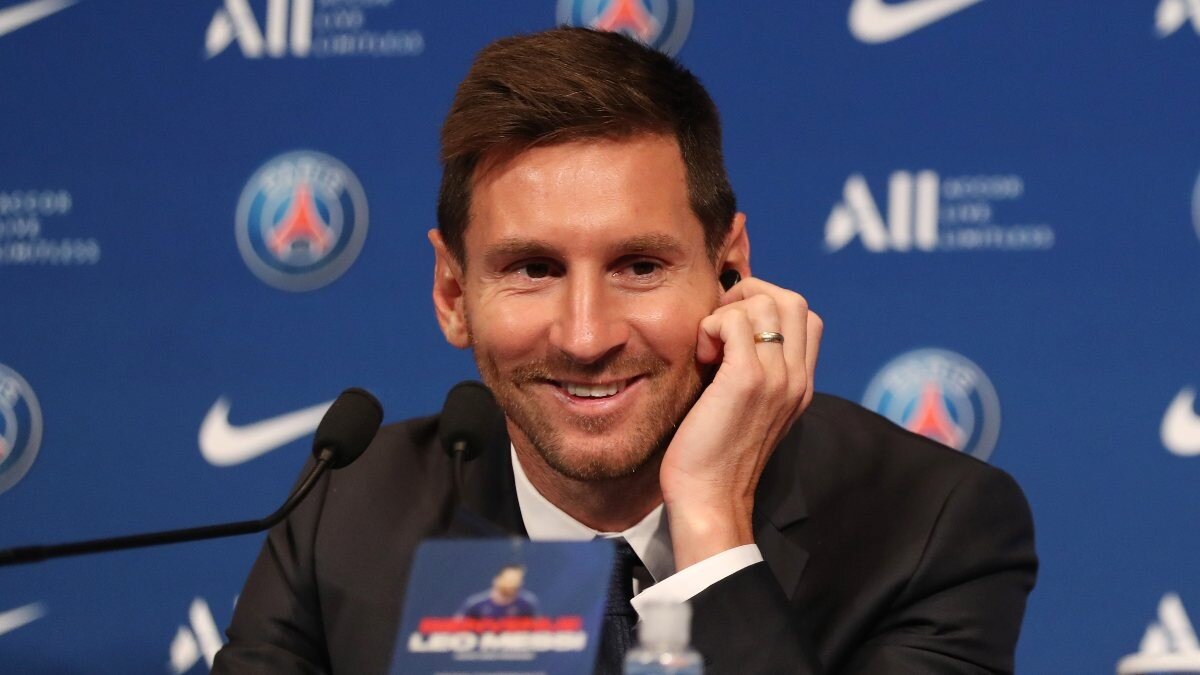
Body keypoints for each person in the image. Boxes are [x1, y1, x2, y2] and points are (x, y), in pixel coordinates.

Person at [213, 27, 1036, 674]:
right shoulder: (347, 510)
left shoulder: (928, 525)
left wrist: (711, 522)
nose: (586, 336)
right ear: (453, 294)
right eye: (533, 269)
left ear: (730, 271)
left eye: (639, 266)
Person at [457, 564, 539, 619]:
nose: (513, 585)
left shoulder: (527, 604)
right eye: (510, 580)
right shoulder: (475, 604)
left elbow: (537, 631)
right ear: (497, 580)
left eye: (517, 581)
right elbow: (457, 628)